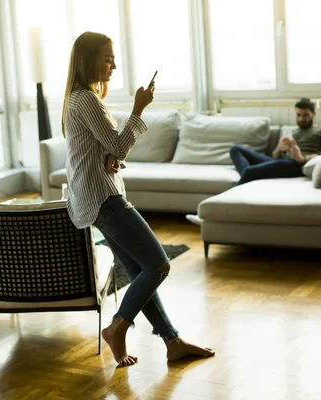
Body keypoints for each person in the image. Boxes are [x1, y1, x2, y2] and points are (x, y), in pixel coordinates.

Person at [62, 31, 214, 367]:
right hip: (106, 200)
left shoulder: (77, 99)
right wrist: (139, 108)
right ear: (89, 59)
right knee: (159, 265)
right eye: (107, 57)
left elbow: (100, 149)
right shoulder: (86, 99)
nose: (113, 64)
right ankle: (118, 326)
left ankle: (172, 341)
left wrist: (112, 156)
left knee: (139, 273)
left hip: (95, 200)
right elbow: (116, 145)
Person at [186, 97, 321, 226]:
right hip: (281, 162)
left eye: (306, 115)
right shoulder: (292, 132)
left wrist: (300, 157)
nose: (301, 119)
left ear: (313, 114)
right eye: (298, 115)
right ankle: (252, 177)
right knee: (236, 150)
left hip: (297, 165)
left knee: (250, 171)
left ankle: (208, 214)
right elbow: (275, 156)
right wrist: (280, 148)